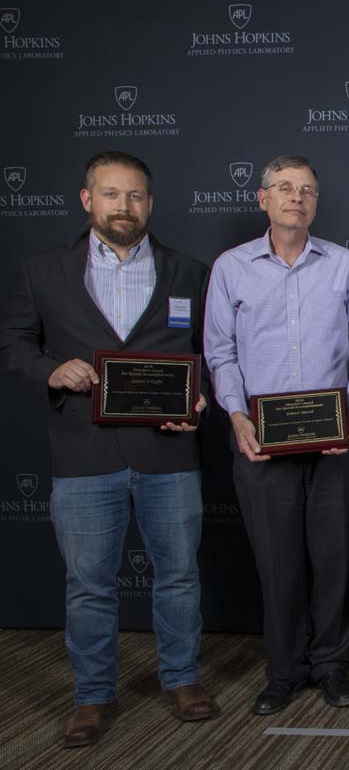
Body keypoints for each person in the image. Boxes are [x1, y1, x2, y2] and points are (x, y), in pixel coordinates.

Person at [0, 151, 216, 748]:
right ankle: (92, 696)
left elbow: (214, 354)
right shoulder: (43, 270)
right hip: (83, 455)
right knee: (89, 584)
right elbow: (12, 345)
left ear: (151, 202)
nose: (125, 206)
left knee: (178, 576)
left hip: (168, 455)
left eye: (137, 196)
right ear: (87, 200)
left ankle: (181, 678)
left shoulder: (190, 273)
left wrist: (199, 399)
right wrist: (50, 370)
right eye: (113, 194)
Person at [203, 154, 349, 716]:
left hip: (331, 437)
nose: (296, 197)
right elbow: (220, 352)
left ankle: (332, 666)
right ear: (263, 198)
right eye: (285, 188)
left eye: (307, 190)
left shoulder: (344, 264)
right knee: (278, 563)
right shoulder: (230, 268)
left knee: (335, 557)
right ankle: (284, 671)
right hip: (259, 440)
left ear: (316, 202)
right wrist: (237, 415)